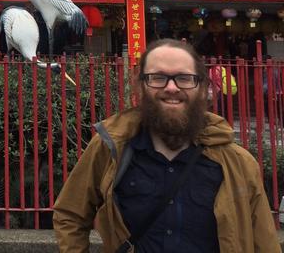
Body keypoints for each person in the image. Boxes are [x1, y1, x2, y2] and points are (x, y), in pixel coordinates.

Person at [53, 39, 278, 253]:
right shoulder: (111, 148)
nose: (171, 87)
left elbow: (264, 241)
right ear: (140, 86)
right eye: (158, 77)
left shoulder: (238, 163)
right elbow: (70, 214)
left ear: (201, 88)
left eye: (184, 78)